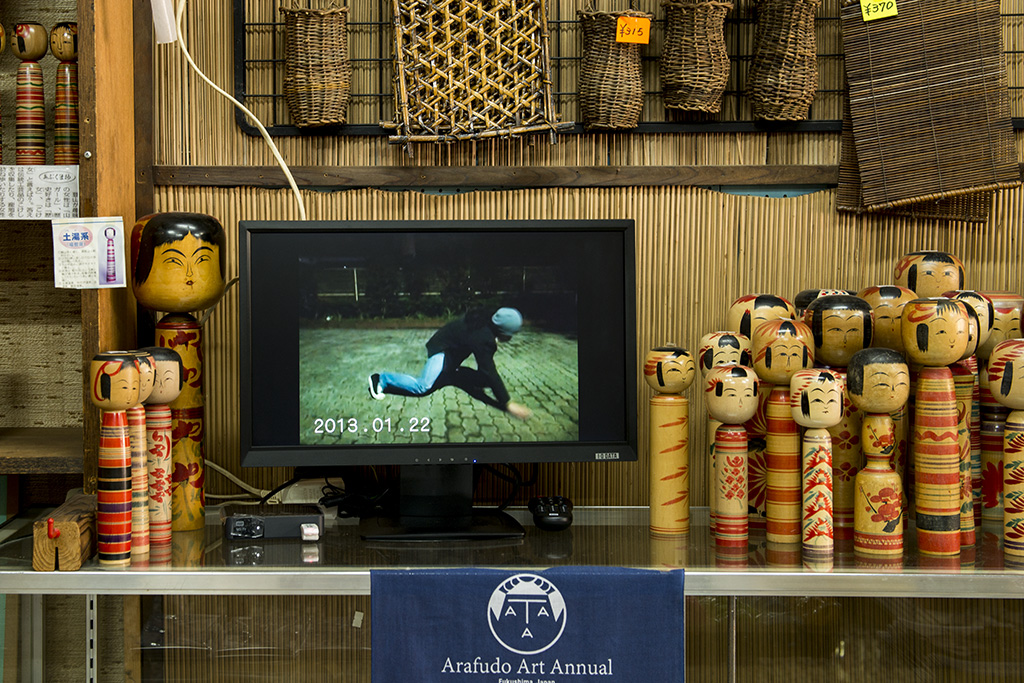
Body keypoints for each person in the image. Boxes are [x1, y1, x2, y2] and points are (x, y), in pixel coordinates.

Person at [368, 307, 532, 420]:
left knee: (484, 379)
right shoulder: (483, 338)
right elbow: (489, 370)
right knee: (423, 386)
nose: (512, 337)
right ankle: (381, 379)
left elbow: (488, 372)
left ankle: (453, 374)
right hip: (441, 348)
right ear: (503, 331)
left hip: (453, 349)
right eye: (511, 334)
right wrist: (508, 404)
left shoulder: (489, 319)